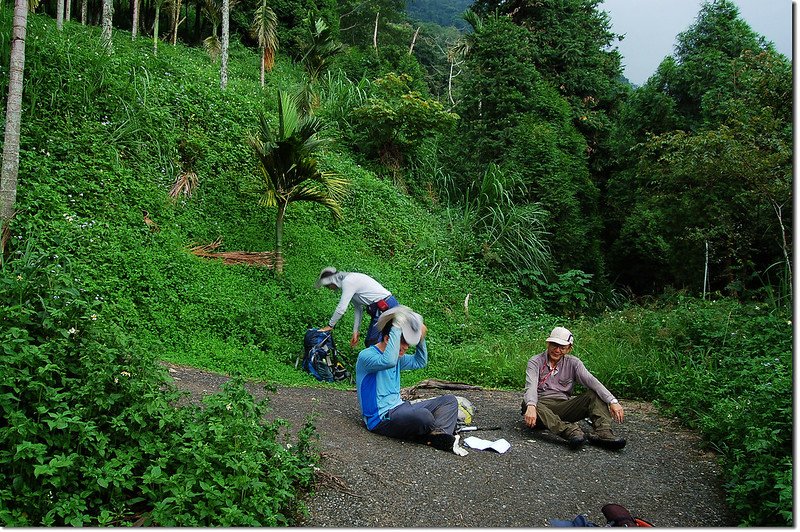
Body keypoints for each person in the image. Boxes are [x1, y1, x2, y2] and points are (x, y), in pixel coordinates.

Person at [355, 306, 468, 456]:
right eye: (402, 345)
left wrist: (421, 338)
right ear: (388, 339)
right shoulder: (366, 356)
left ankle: (439, 436)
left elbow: (420, 362)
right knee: (424, 416)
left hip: (401, 408)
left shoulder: (398, 358)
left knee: (449, 401)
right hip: (380, 419)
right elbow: (387, 361)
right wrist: (396, 326)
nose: (406, 349)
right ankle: (434, 430)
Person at [521, 326, 626, 450]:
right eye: (554, 345)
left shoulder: (574, 363)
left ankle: (603, 433)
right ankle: (570, 431)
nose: (557, 350)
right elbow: (531, 386)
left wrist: (613, 401)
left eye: (562, 347)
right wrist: (532, 406)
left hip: (563, 406)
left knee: (593, 394)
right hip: (541, 409)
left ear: (569, 349)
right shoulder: (535, 361)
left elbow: (591, 381)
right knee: (527, 402)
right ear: (548, 344)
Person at [315, 267, 399, 348]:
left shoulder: (348, 281)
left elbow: (341, 309)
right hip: (385, 307)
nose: (329, 289)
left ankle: (382, 361)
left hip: (385, 307)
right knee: (378, 342)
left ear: (331, 282)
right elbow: (358, 309)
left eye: (327, 286)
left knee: (373, 343)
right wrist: (356, 332)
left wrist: (330, 326)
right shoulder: (350, 280)